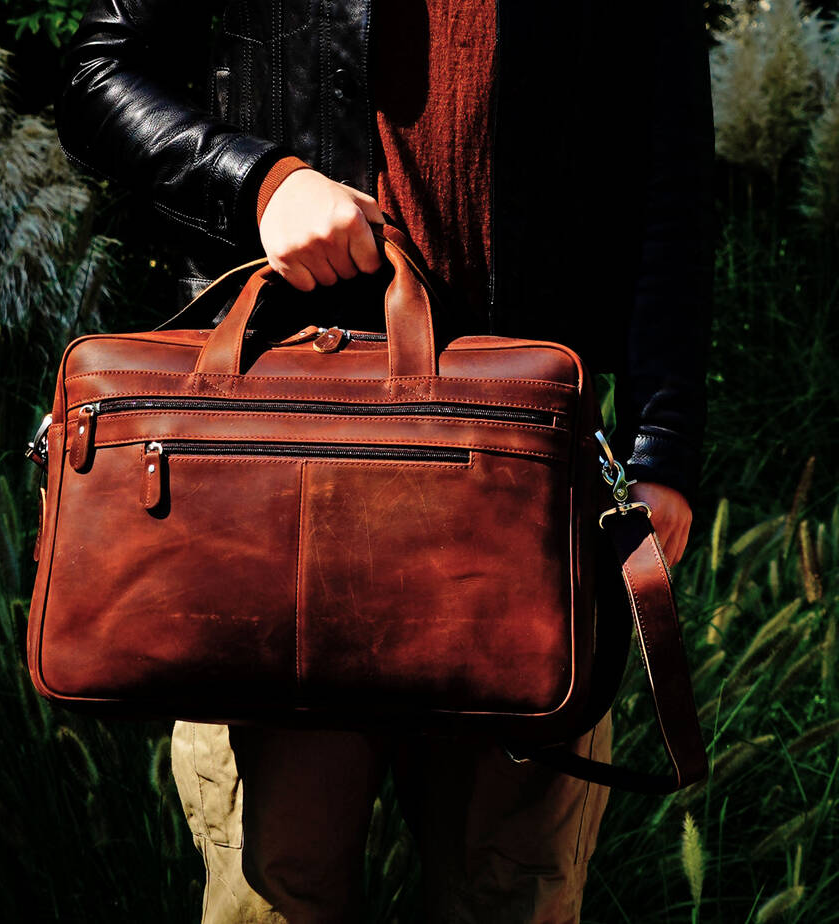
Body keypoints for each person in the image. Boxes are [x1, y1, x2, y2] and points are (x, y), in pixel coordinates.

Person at [55, 0, 715, 919]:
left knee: (510, 895)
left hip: (524, 488)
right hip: (274, 482)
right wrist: (261, 184)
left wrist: (662, 443)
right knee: (275, 895)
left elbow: (670, 170)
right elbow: (98, 74)